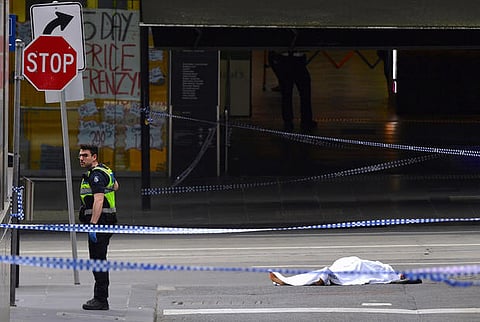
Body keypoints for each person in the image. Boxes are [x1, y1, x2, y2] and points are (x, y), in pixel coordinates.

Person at [78, 144, 119, 310]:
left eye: (85, 156)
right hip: (106, 220)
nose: (81, 158)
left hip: (101, 221)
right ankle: (100, 297)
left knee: (98, 260)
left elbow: (99, 200)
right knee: (99, 258)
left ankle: (101, 299)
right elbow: (116, 186)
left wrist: (93, 225)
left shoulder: (96, 175)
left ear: (94, 157)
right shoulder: (104, 169)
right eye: (80, 155)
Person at [269, 256, 422, 286]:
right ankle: (287, 280)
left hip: (354, 266)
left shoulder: (389, 274)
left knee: (334, 271)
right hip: (353, 264)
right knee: (347, 268)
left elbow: (373, 274)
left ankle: (287, 281)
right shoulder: (388, 271)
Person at [268, 50, 317, 132]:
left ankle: (288, 121)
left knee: (286, 93)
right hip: (298, 60)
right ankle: (306, 120)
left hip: (284, 59)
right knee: (305, 92)